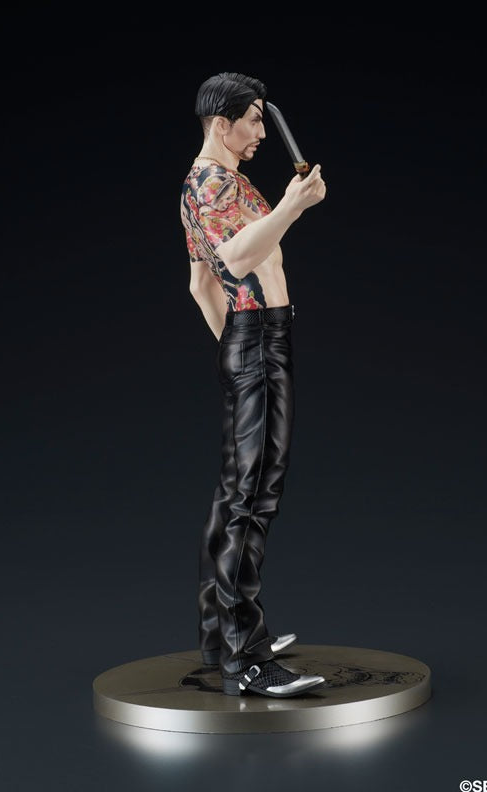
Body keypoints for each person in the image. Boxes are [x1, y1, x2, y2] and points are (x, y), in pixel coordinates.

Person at [180, 72, 327, 698]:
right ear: (223, 123)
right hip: (260, 340)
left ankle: (221, 637)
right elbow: (237, 260)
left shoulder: (211, 182)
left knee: (235, 493)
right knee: (253, 496)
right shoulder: (213, 183)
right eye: (254, 119)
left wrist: (234, 353)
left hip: (250, 341)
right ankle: (246, 657)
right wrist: (294, 206)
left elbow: (201, 283)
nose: (262, 131)